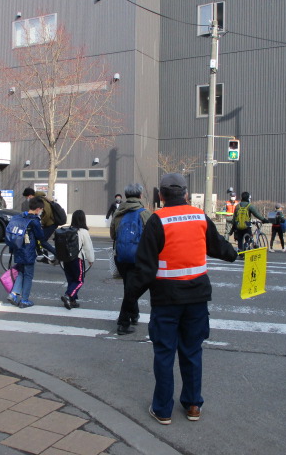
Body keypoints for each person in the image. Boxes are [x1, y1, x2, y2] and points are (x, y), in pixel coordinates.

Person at [122, 173, 237, 425]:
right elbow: (219, 247)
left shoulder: (157, 220)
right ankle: (193, 404)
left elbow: (145, 267)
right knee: (192, 351)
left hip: (166, 298)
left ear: (161, 195)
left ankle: (163, 410)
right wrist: (235, 253)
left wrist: (130, 298)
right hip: (197, 297)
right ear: (185, 193)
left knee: (164, 353)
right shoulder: (199, 217)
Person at [110, 183, 151, 335]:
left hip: (121, 257)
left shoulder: (119, 212)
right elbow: (152, 237)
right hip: (138, 257)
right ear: (140, 196)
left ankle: (133, 315)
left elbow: (113, 235)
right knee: (132, 290)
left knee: (129, 287)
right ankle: (123, 323)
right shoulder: (145, 213)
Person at [6, 197, 53, 308]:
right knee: (28, 276)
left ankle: (13, 294)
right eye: (41, 209)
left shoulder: (18, 217)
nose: (41, 211)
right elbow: (41, 238)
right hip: (28, 252)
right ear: (37, 209)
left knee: (21, 272)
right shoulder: (34, 222)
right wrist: (54, 251)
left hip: (18, 249)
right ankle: (24, 300)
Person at [60, 210, 95, 310]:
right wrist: (91, 259)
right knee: (79, 281)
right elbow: (88, 247)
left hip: (66, 259)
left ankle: (72, 301)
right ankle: (68, 295)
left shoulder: (68, 230)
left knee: (71, 280)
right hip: (77, 259)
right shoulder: (83, 232)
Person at [232, 192, 269, 257]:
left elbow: (234, 217)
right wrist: (263, 220)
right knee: (249, 238)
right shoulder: (249, 206)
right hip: (247, 226)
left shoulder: (237, 206)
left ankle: (240, 252)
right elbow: (256, 214)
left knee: (240, 239)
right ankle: (246, 245)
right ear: (248, 198)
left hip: (238, 226)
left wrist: (234, 227)